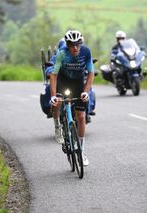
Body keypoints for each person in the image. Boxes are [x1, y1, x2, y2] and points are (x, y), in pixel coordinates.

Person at [50, 30, 94, 166]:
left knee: (81, 116)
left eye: (77, 44)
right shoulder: (62, 53)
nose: (75, 48)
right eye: (72, 45)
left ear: (81, 44)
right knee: (57, 101)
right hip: (63, 80)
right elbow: (54, 75)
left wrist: (86, 92)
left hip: (78, 82)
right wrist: (52, 96)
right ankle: (57, 125)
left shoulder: (86, 52)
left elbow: (91, 73)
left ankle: (81, 151)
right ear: (67, 45)